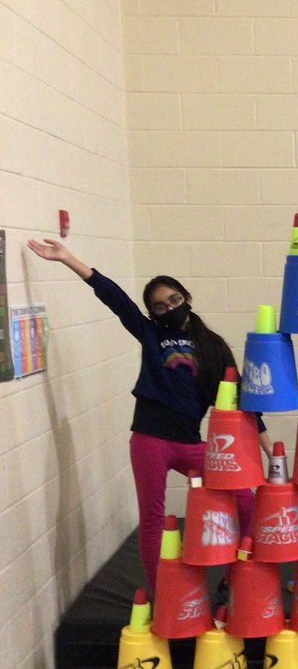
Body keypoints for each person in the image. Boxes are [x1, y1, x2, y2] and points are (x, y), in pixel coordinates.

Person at [27, 238, 272, 591]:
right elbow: (115, 298)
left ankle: (234, 581)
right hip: (150, 441)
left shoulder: (214, 346)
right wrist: (68, 259)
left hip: (191, 443)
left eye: (174, 300)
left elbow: (242, 403)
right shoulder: (152, 334)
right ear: (153, 314)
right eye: (159, 306)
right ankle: (163, 597)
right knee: (153, 518)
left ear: (187, 298)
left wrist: (268, 449)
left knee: (246, 500)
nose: (169, 307)